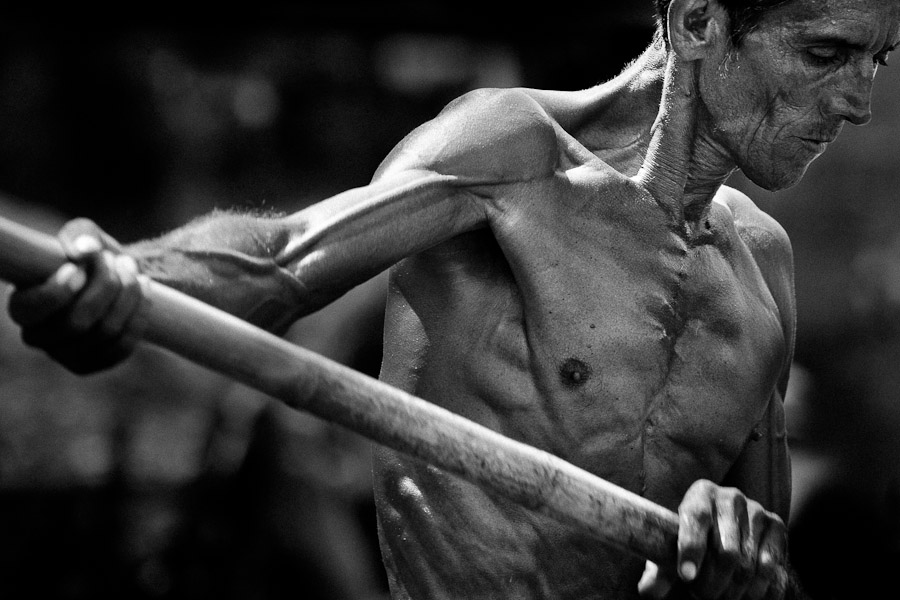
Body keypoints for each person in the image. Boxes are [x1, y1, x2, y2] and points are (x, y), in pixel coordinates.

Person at [7, 0, 898, 597]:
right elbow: (280, 261)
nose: (860, 100)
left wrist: (741, 549)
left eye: (879, 59)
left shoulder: (764, 266)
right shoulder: (514, 156)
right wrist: (126, 280)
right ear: (700, 20)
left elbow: (767, 566)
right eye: (827, 54)